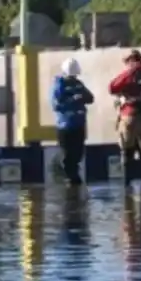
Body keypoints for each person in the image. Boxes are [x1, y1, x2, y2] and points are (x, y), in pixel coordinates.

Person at [108, 49, 141, 184]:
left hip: (130, 117)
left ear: (130, 60)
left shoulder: (130, 72)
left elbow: (112, 87)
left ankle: (127, 187)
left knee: (127, 152)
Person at [51, 57, 94, 185]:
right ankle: (69, 178)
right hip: (65, 126)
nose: (73, 78)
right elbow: (56, 105)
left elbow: (90, 97)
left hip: (79, 124)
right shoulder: (59, 86)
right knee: (67, 154)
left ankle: (73, 176)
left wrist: (82, 97)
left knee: (78, 153)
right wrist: (73, 100)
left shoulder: (78, 84)